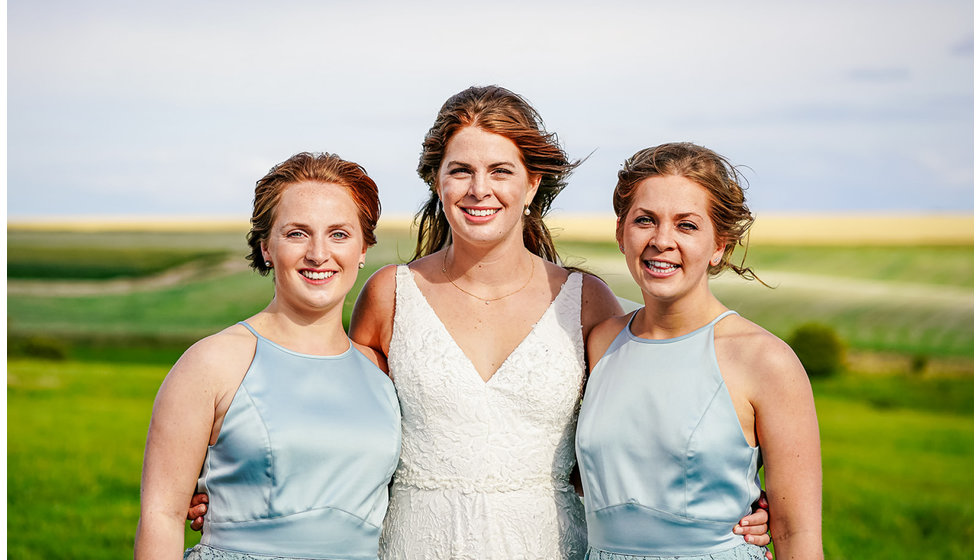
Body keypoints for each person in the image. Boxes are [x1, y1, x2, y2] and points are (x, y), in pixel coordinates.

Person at [186, 87, 772, 559]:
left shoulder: (586, 301)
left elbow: (635, 421)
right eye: (460, 171)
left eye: (499, 170)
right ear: (437, 184)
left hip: (550, 543)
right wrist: (238, 488)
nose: (479, 189)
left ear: (532, 184)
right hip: (415, 541)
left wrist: (730, 507)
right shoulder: (391, 295)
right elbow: (330, 403)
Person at [136, 152, 401, 560]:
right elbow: (162, 516)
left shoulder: (380, 370)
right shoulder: (214, 363)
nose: (318, 253)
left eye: (339, 234)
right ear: (266, 248)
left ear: (363, 248)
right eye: (297, 233)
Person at [575, 143, 823, 560]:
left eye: (686, 226)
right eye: (644, 221)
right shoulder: (600, 343)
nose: (662, 241)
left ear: (719, 245)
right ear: (621, 233)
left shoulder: (765, 361)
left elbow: (797, 536)